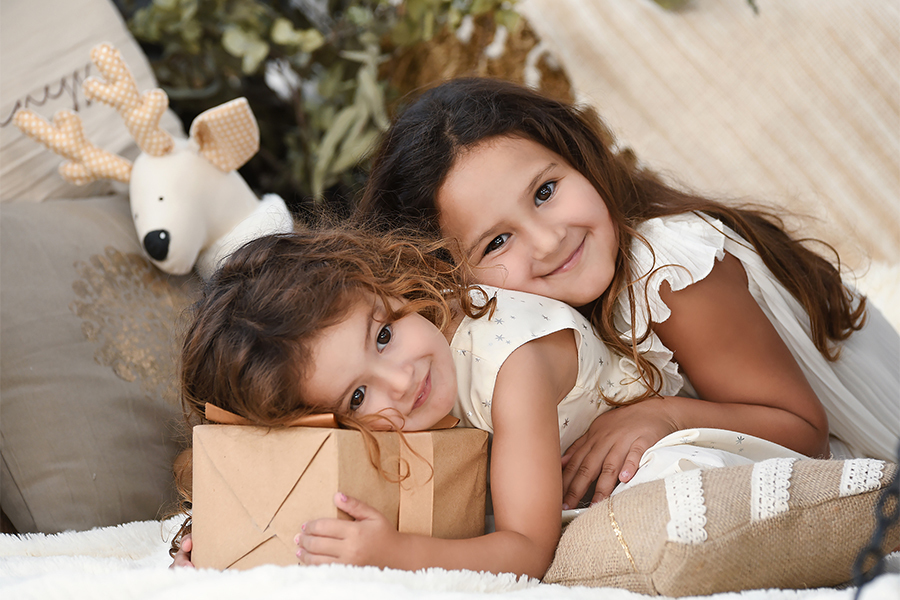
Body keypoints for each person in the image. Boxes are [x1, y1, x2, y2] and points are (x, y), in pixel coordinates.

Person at [356, 77, 900, 509]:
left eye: (545, 191)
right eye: (497, 241)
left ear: (581, 160)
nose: (548, 241)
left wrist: (665, 416)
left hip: (872, 448)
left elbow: (806, 433)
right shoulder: (511, 328)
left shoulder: (665, 270)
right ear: (447, 278)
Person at [169, 226, 801, 576]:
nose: (401, 381)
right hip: (547, 480)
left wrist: (397, 554)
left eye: (384, 334)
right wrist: (235, 525)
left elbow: (529, 549)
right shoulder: (397, 394)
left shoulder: (510, 362)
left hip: (656, 445)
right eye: (357, 394)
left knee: (674, 507)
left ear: (389, 287)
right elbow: (312, 472)